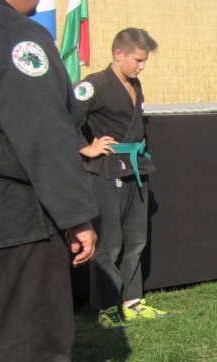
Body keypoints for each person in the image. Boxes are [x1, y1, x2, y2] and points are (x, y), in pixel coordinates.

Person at [0, 0, 100, 362]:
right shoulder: (15, 36)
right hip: (14, 224)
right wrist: (75, 215)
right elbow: (42, 131)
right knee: (26, 355)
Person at [74, 28, 166, 329]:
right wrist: (85, 147)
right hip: (106, 170)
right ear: (118, 54)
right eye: (138, 60)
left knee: (136, 239)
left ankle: (132, 301)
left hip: (135, 167)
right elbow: (65, 116)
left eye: (144, 60)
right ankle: (108, 306)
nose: (142, 66)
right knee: (109, 243)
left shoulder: (135, 84)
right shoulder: (94, 84)